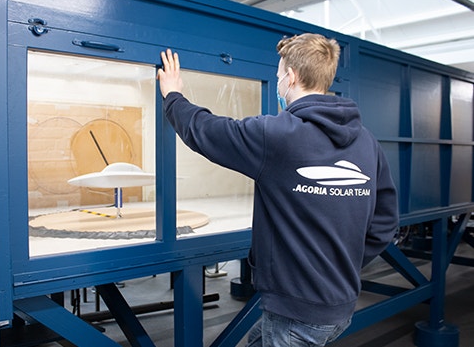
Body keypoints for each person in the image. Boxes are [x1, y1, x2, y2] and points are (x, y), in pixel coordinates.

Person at [157, 33, 399, 347]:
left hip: (296, 311)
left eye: (278, 77)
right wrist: (340, 264)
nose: (278, 85)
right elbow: (384, 225)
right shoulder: (367, 142)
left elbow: (206, 131)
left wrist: (173, 95)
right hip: (340, 304)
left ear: (292, 76)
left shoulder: (278, 135)